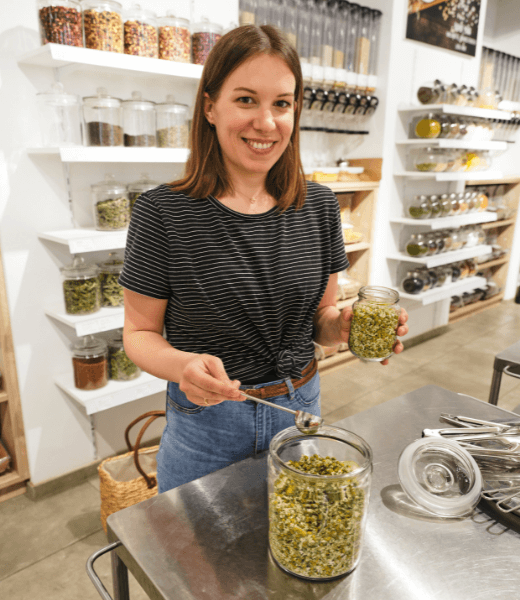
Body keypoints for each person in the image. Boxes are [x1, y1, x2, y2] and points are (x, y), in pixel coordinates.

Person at [120, 25, 409, 493]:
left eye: (282, 103)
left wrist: (343, 326)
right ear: (210, 107)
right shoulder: (162, 212)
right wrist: (182, 367)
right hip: (206, 424)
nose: (267, 122)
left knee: (288, 548)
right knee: (198, 561)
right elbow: (139, 334)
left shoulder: (317, 206)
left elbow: (321, 317)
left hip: (299, 411)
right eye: (246, 100)